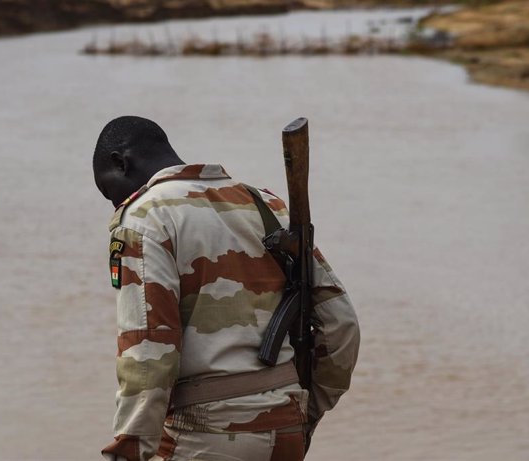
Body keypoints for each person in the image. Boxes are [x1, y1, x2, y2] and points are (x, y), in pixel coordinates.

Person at [93, 116, 360, 461]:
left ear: (120, 162)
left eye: (109, 191)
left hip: (202, 435)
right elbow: (341, 324)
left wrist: (129, 450)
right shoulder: (265, 204)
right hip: (285, 428)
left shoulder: (146, 216)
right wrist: (304, 411)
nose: (116, 204)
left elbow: (148, 348)